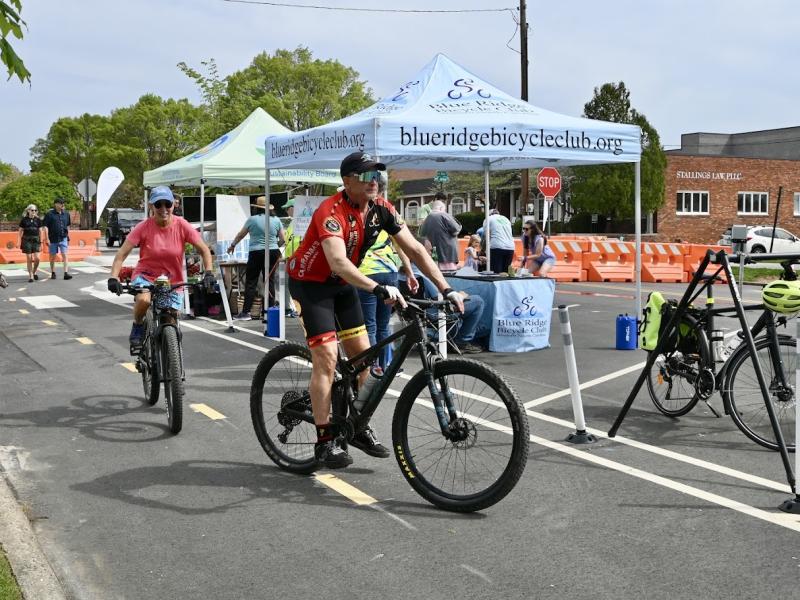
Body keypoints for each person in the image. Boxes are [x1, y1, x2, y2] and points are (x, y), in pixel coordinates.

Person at [287, 151, 463, 469]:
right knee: (326, 359)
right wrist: (378, 287)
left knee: (365, 362)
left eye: (378, 176)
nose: (375, 182)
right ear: (347, 181)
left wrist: (446, 289)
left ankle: (357, 427)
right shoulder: (330, 212)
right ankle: (324, 441)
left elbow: (415, 248)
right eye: (367, 176)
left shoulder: (381, 208)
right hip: (310, 287)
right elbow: (338, 262)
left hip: (342, 286)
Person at [107, 186, 215, 353]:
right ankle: (137, 326)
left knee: (170, 318)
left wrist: (208, 272)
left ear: (174, 205)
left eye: (168, 204)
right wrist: (113, 278)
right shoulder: (143, 227)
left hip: (172, 280)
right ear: (151, 206)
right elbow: (121, 254)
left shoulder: (182, 225)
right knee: (143, 300)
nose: (164, 209)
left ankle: (171, 362)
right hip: (146, 276)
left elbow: (204, 250)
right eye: (159, 205)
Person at [228, 196, 285, 320]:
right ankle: (270, 311)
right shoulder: (276, 220)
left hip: (256, 252)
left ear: (257, 208)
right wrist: (275, 246)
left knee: (251, 282)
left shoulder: (252, 220)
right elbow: (283, 239)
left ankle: (246, 312)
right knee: (269, 280)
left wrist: (232, 245)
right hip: (272, 251)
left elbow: (240, 235)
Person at [419, 194, 462, 270]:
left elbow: (421, 234)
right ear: (441, 208)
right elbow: (456, 229)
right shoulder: (444, 215)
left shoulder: (428, 218)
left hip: (433, 252)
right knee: (449, 273)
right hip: (447, 253)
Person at [42, 197, 73, 280]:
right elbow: (45, 227)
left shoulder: (66, 214)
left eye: (63, 203)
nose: (62, 205)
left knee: (65, 255)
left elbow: (68, 226)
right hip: (53, 239)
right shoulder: (49, 214)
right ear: (55, 204)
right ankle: (53, 272)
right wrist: (47, 238)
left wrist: (68, 236)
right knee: (52, 256)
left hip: (63, 238)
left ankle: (66, 273)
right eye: (60, 203)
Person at [283, 198, 301, 318]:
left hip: (297, 259)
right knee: (290, 285)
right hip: (290, 259)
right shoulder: (292, 223)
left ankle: (296, 308)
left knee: (296, 285)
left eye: (287, 209)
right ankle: (291, 308)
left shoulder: (301, 224)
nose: (286, 212)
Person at [18, 204, 45, 282]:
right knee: (29, 258)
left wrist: (41, 242)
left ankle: (33, 272)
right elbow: (20, 231)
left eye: (35, 210)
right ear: (28, 211)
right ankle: (31, 276)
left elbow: (40, 231)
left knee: (37, 258)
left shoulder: (38, 220)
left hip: (36, 240)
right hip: (26, 240)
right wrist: (18, 241)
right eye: (32, 210)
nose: (34, 212)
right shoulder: (24, 220)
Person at [484, 206, 515, 274]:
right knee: (506, 272)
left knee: (496, 272)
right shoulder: (506, 219)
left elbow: (487, 235)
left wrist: (485, 249)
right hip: (510, 247)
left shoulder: (488, 219)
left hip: (497, 246)